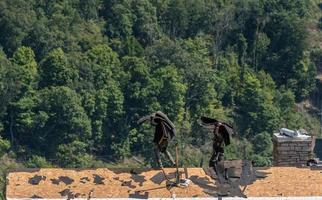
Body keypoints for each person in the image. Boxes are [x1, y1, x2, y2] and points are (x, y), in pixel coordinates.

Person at [200, 117, 235, 182]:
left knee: (213, 162)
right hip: (218, 152)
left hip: (218, 152)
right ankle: (221, 176)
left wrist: (217, 127)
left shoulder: (220, 136)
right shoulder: (222, 135)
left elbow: (216, 134)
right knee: (216, 163)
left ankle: (221, 176)